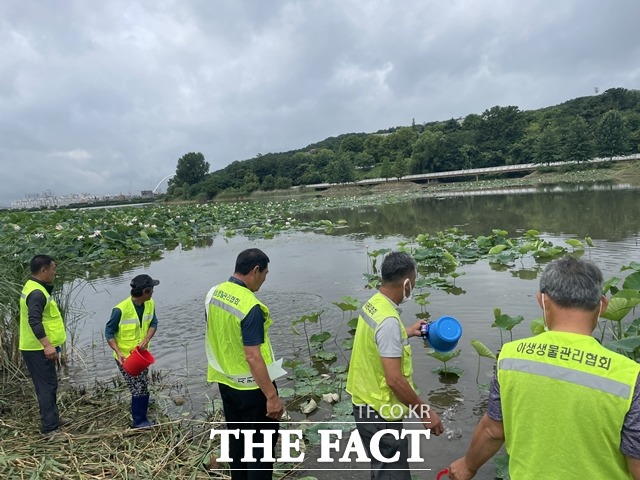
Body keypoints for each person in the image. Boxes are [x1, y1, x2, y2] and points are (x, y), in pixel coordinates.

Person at [447, 256, 640, 480]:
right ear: (603, 305)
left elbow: (493, 430)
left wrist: (468, 466)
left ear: (542, 301)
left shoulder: (511, 358)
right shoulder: (628, 375)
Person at [346, 251, 444, 480]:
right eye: (414, 282)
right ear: (407, 282)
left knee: (381, 469)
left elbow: (376, 340)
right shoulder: (389, 321)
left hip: (364, 403)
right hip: (379, 413)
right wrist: (424, 411)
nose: (414, 287)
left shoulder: (374, 304)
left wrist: (406, 332)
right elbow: (394, 379)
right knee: (393, 474)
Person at [205, 248, 286, 480]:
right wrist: (271, 396)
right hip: (253, 390)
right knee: (260, 453)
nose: (264, 279)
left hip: (227, 384)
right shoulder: (250, 306)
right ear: (255, 270)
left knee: (239, 445)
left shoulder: (214, 293)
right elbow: (253, 355)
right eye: (265, 273)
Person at [19, 254, 71, 436]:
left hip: (39, 347)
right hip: (37, 348)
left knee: (50, 384)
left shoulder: (35, 287)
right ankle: (49, 428)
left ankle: (53, 419)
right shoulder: (36, 293)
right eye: (53, 269)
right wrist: (47, 345)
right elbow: (34, 320)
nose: (54, 273)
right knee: (46, 386)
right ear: (44, 270)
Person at [105, 274, 159, 428]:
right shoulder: (120, 310)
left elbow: (154, 323)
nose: (153, 292)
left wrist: (146, 340)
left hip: (141, 355)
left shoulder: (150, 304)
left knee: (142, 382)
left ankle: (143, 403)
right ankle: (139, 421)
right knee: (138, 387)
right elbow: (109, 332)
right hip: (125, 358)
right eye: (152, 290)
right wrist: (118, 352)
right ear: (145, 292)